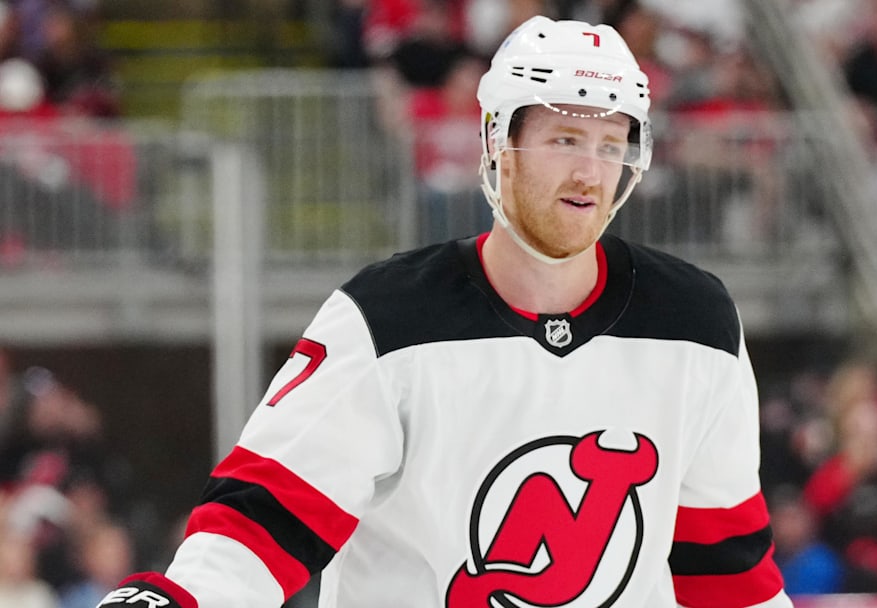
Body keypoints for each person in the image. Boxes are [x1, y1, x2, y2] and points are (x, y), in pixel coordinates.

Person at [96, 16, 792, 608]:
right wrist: (179, 598)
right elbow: (264, 520)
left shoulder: (696, 324)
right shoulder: (386, 318)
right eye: (564, 140)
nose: (590, 172)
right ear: (497, 143)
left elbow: (728, 575)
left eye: (611, 147)